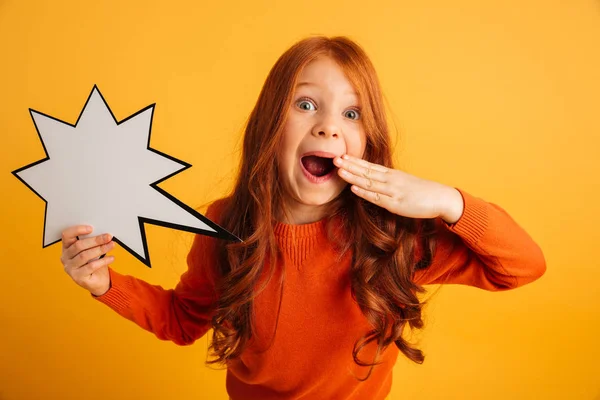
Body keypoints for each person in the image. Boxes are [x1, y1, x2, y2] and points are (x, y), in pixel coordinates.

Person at [59, 36, 546, 400]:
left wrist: (447, 201)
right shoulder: (225, 225)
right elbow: (183, 321)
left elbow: (523, 266)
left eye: (352, 114)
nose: (328, 125)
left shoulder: (393, 236)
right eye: (306, 103)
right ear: (272, 122)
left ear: (368, 141)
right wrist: (105, 284)